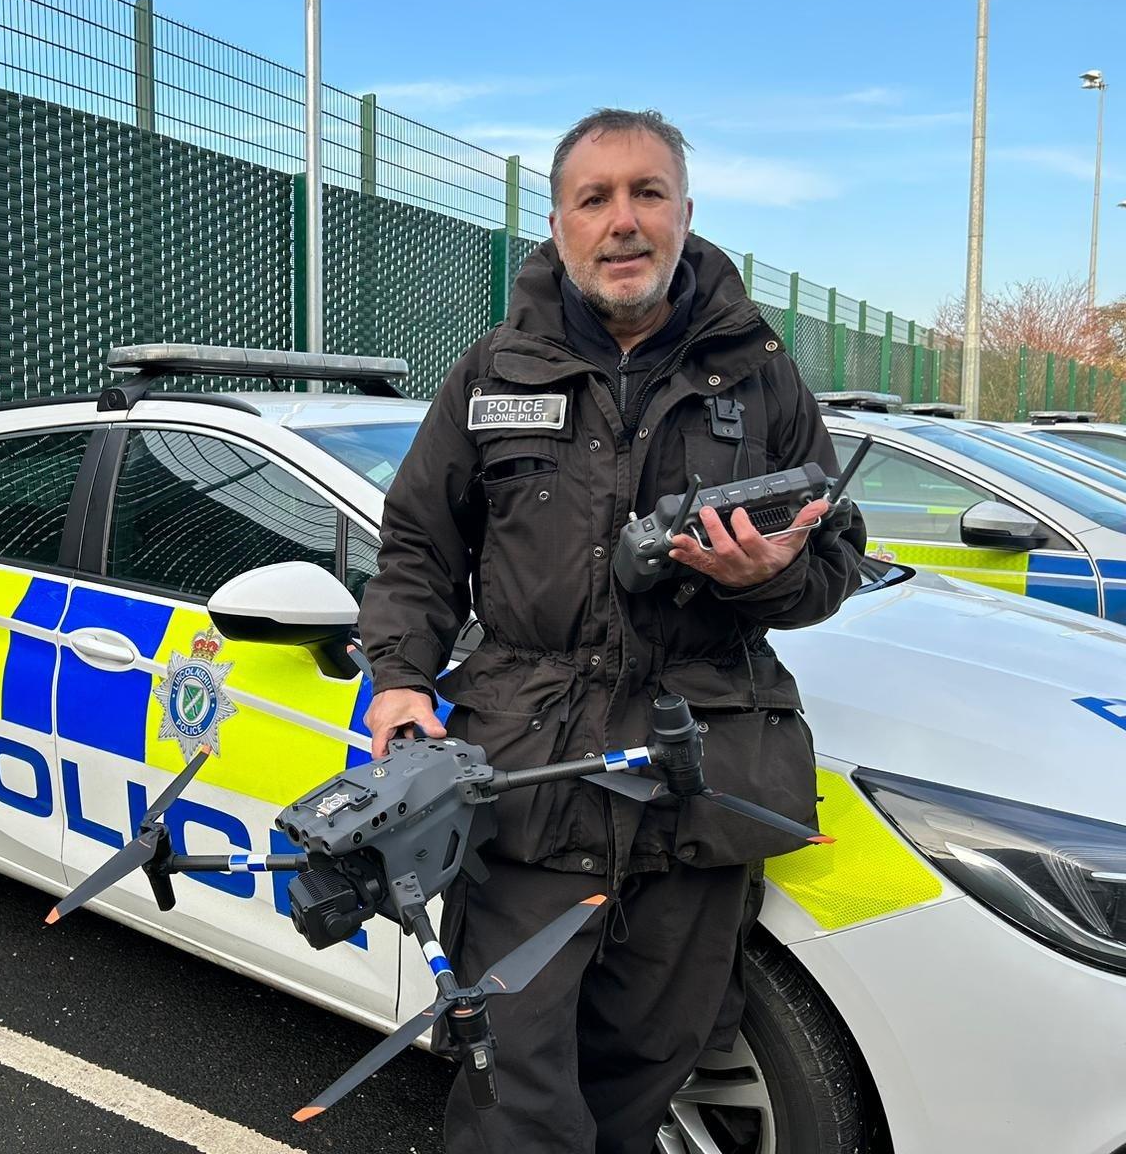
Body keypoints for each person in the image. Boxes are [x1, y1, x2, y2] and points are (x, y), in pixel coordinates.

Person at [358, 108, 865, 1154]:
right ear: (557, 222)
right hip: (529, 786)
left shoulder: (761, 380)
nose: (622, 221)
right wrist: (402, 677)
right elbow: (415, 544)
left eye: (646, 194)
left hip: (700, 783)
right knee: (515, 1096)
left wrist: (767, 578)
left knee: (645, 1079)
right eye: (595, 198)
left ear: (686, 213)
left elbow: (833, 563)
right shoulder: (491, 373)